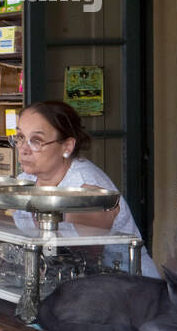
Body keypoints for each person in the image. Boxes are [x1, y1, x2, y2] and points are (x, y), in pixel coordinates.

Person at [10, 100, 160, 278]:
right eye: (20, 138)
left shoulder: (87, 189)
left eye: (37, 141)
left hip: (124, 284)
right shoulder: (26, 181)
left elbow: (83, 255)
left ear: (67, 146)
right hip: (64, 280)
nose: (24, 149)